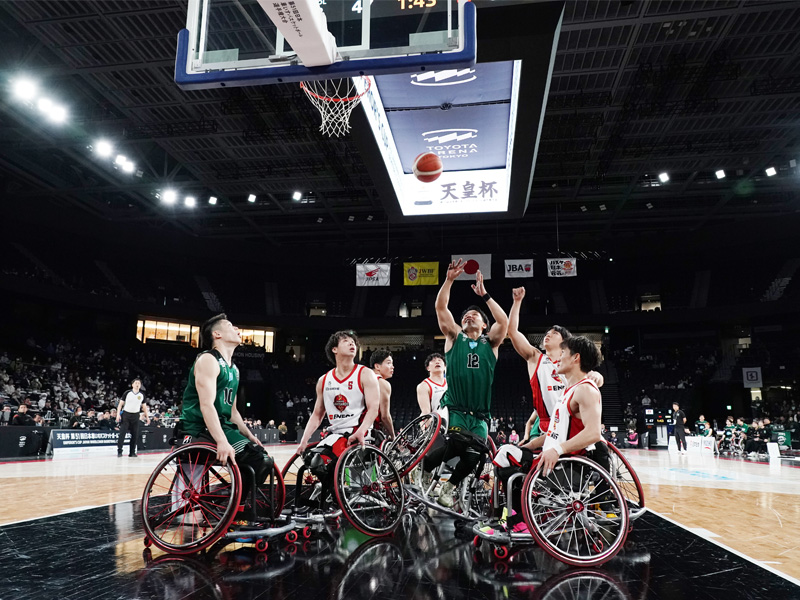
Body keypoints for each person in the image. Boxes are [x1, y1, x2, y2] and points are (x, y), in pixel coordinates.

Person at [491, 336, 605, 533]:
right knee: (506, 452)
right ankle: (513, 515)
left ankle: (520, 519)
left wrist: (557, 450)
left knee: (507, 457)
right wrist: (529, 445)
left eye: (563, 353)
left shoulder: (586, 390)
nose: (558, 358)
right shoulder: (569, 390)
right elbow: (555, 432)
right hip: (553, 457)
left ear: (576, 357)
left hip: (567, 465)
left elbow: (593, 433)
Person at [423, 259, 509, 508]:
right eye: (465, 316)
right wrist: (448, 280)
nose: (469, 316)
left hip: (480, 413)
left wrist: (485, 296)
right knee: (458, 443)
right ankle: (426, 466)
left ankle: (448, 487)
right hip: (457, 407)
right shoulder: (454, 337)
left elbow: (503, 322)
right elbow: (441, 308)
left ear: (484, 325)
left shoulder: (490, 343)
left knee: (475, 454)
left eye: (475, 315)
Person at [179, 314, 274, 520]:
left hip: (221, 425)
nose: (237, 329)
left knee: (263, 458)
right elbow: (206, 405)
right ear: (217, 334)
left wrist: (249, 435)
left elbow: (233, 412)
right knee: (257, 460)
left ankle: (235, 504)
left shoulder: (234, 369)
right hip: (198, 428)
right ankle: (234, 508)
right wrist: (222, 441)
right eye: (231, 326)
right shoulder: (208, 360)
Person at [507, 287, 603, 437]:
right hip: (546, 423)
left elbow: (592, 377)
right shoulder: (536, 358)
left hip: (570, 420)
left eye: (554, 333)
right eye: (547, 333)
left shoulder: (571, 360)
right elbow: (512, 332)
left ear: (564, 341)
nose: (548, 335)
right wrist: (517, 302)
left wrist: (598, 376)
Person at [296, 331, 380, 493]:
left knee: (326, 464)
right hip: (335, 435)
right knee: (313, 460)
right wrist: (304, 441)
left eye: (353, 342)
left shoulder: (365, 373)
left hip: (360, 432)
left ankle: (336, 493)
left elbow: (373, 408)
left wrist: (361, 431)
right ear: (334, 349)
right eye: (346, 341)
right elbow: (317, 415)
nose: (352, 344)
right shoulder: (324, 380)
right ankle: (332, 494)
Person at [116, 378, 150, 457]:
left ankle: (132, 452)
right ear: (132, 385)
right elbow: (120, 404)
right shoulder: (127, 393)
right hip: (126, 415)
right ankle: (120, 451)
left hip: (136, 415)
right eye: (136, 383)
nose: (137, 384)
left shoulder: (142, 395)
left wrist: (147, 417)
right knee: (122, 433)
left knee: (135, 434)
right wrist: (118, 414)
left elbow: (144, 407)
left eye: (139, 383)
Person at [370, 349, 396, 441]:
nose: (392, 367)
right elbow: (385, 416)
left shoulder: (362, 379)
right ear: (377, 366)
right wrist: (393, 436)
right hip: (368, 431)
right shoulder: (382, 383)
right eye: (389, 363)